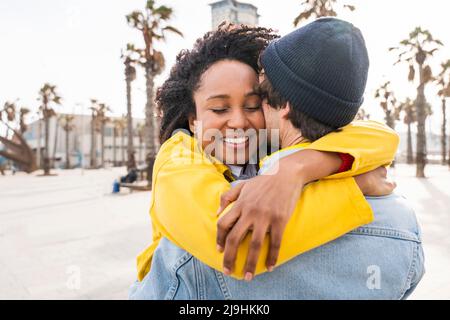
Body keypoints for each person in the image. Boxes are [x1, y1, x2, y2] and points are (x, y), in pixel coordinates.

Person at [129, 21, 421, 300]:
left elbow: (382, 137)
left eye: (254, 104)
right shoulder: (177, 159)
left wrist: (298, 167)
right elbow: (233, 244)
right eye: (219, 109)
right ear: (193, 120)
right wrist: (353, 186)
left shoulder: (272, 151)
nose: (238, 121)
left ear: (277, 106)